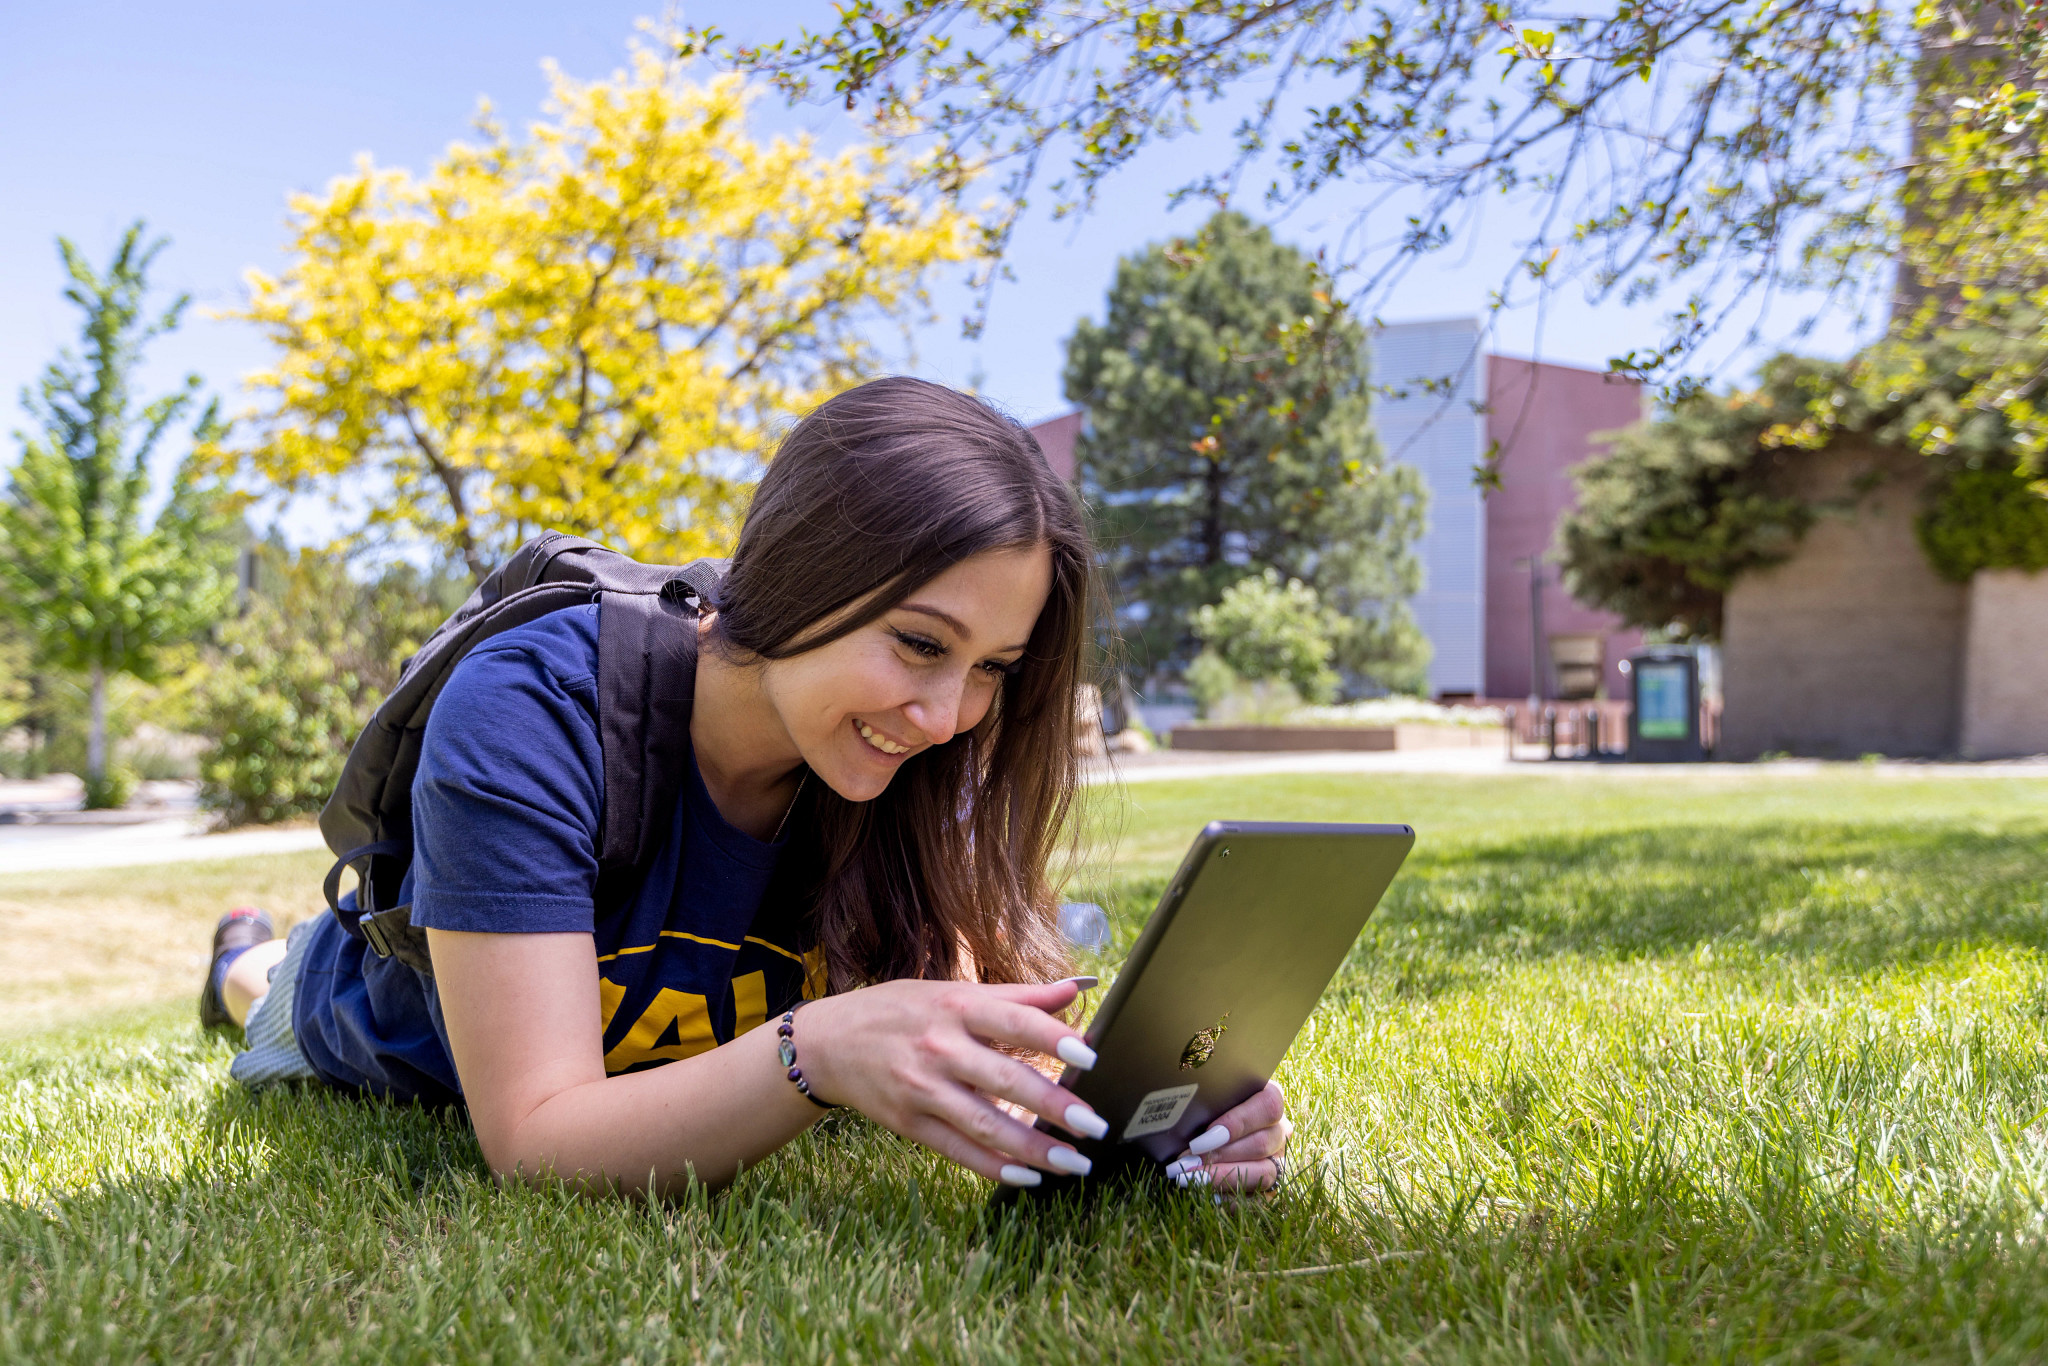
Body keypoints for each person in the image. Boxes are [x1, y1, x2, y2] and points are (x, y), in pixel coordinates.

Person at [199, 377, 1290, 1195]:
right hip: (387, 1027)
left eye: (991, 669)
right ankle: (239, 953)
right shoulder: (533, 707)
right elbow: (536, 1139)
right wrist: (813, 1052)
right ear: (798, 571)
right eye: (918, 643)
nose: (948, 713)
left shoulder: (915, 748)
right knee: (274, 984)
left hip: (687, 1038)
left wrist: (1164, 1111)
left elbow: (976, 1022)